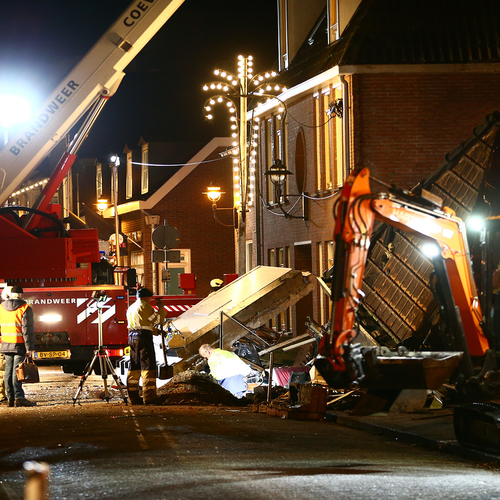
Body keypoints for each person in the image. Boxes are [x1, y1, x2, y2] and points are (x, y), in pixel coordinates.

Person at [0, 286, 36, 407]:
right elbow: (27, 330)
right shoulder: (25, 308)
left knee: (8, 371)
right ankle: (19, 398)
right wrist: (29, 348)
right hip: (19, 344)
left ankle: (10, 398)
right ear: (21, 295)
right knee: (17, 370)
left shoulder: (1, 307)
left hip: (5, 343)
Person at [126, 288, 162, 405]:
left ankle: (133, 397)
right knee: (148, 365)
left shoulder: (131, 308)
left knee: (134, 365)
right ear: (146, 297)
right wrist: (161, 309)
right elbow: (157, 320)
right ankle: (149, 397)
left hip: (132, 337)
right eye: (150, 298)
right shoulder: (145, 306)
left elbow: (141, 324)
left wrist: (155, 331)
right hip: (144, 338)